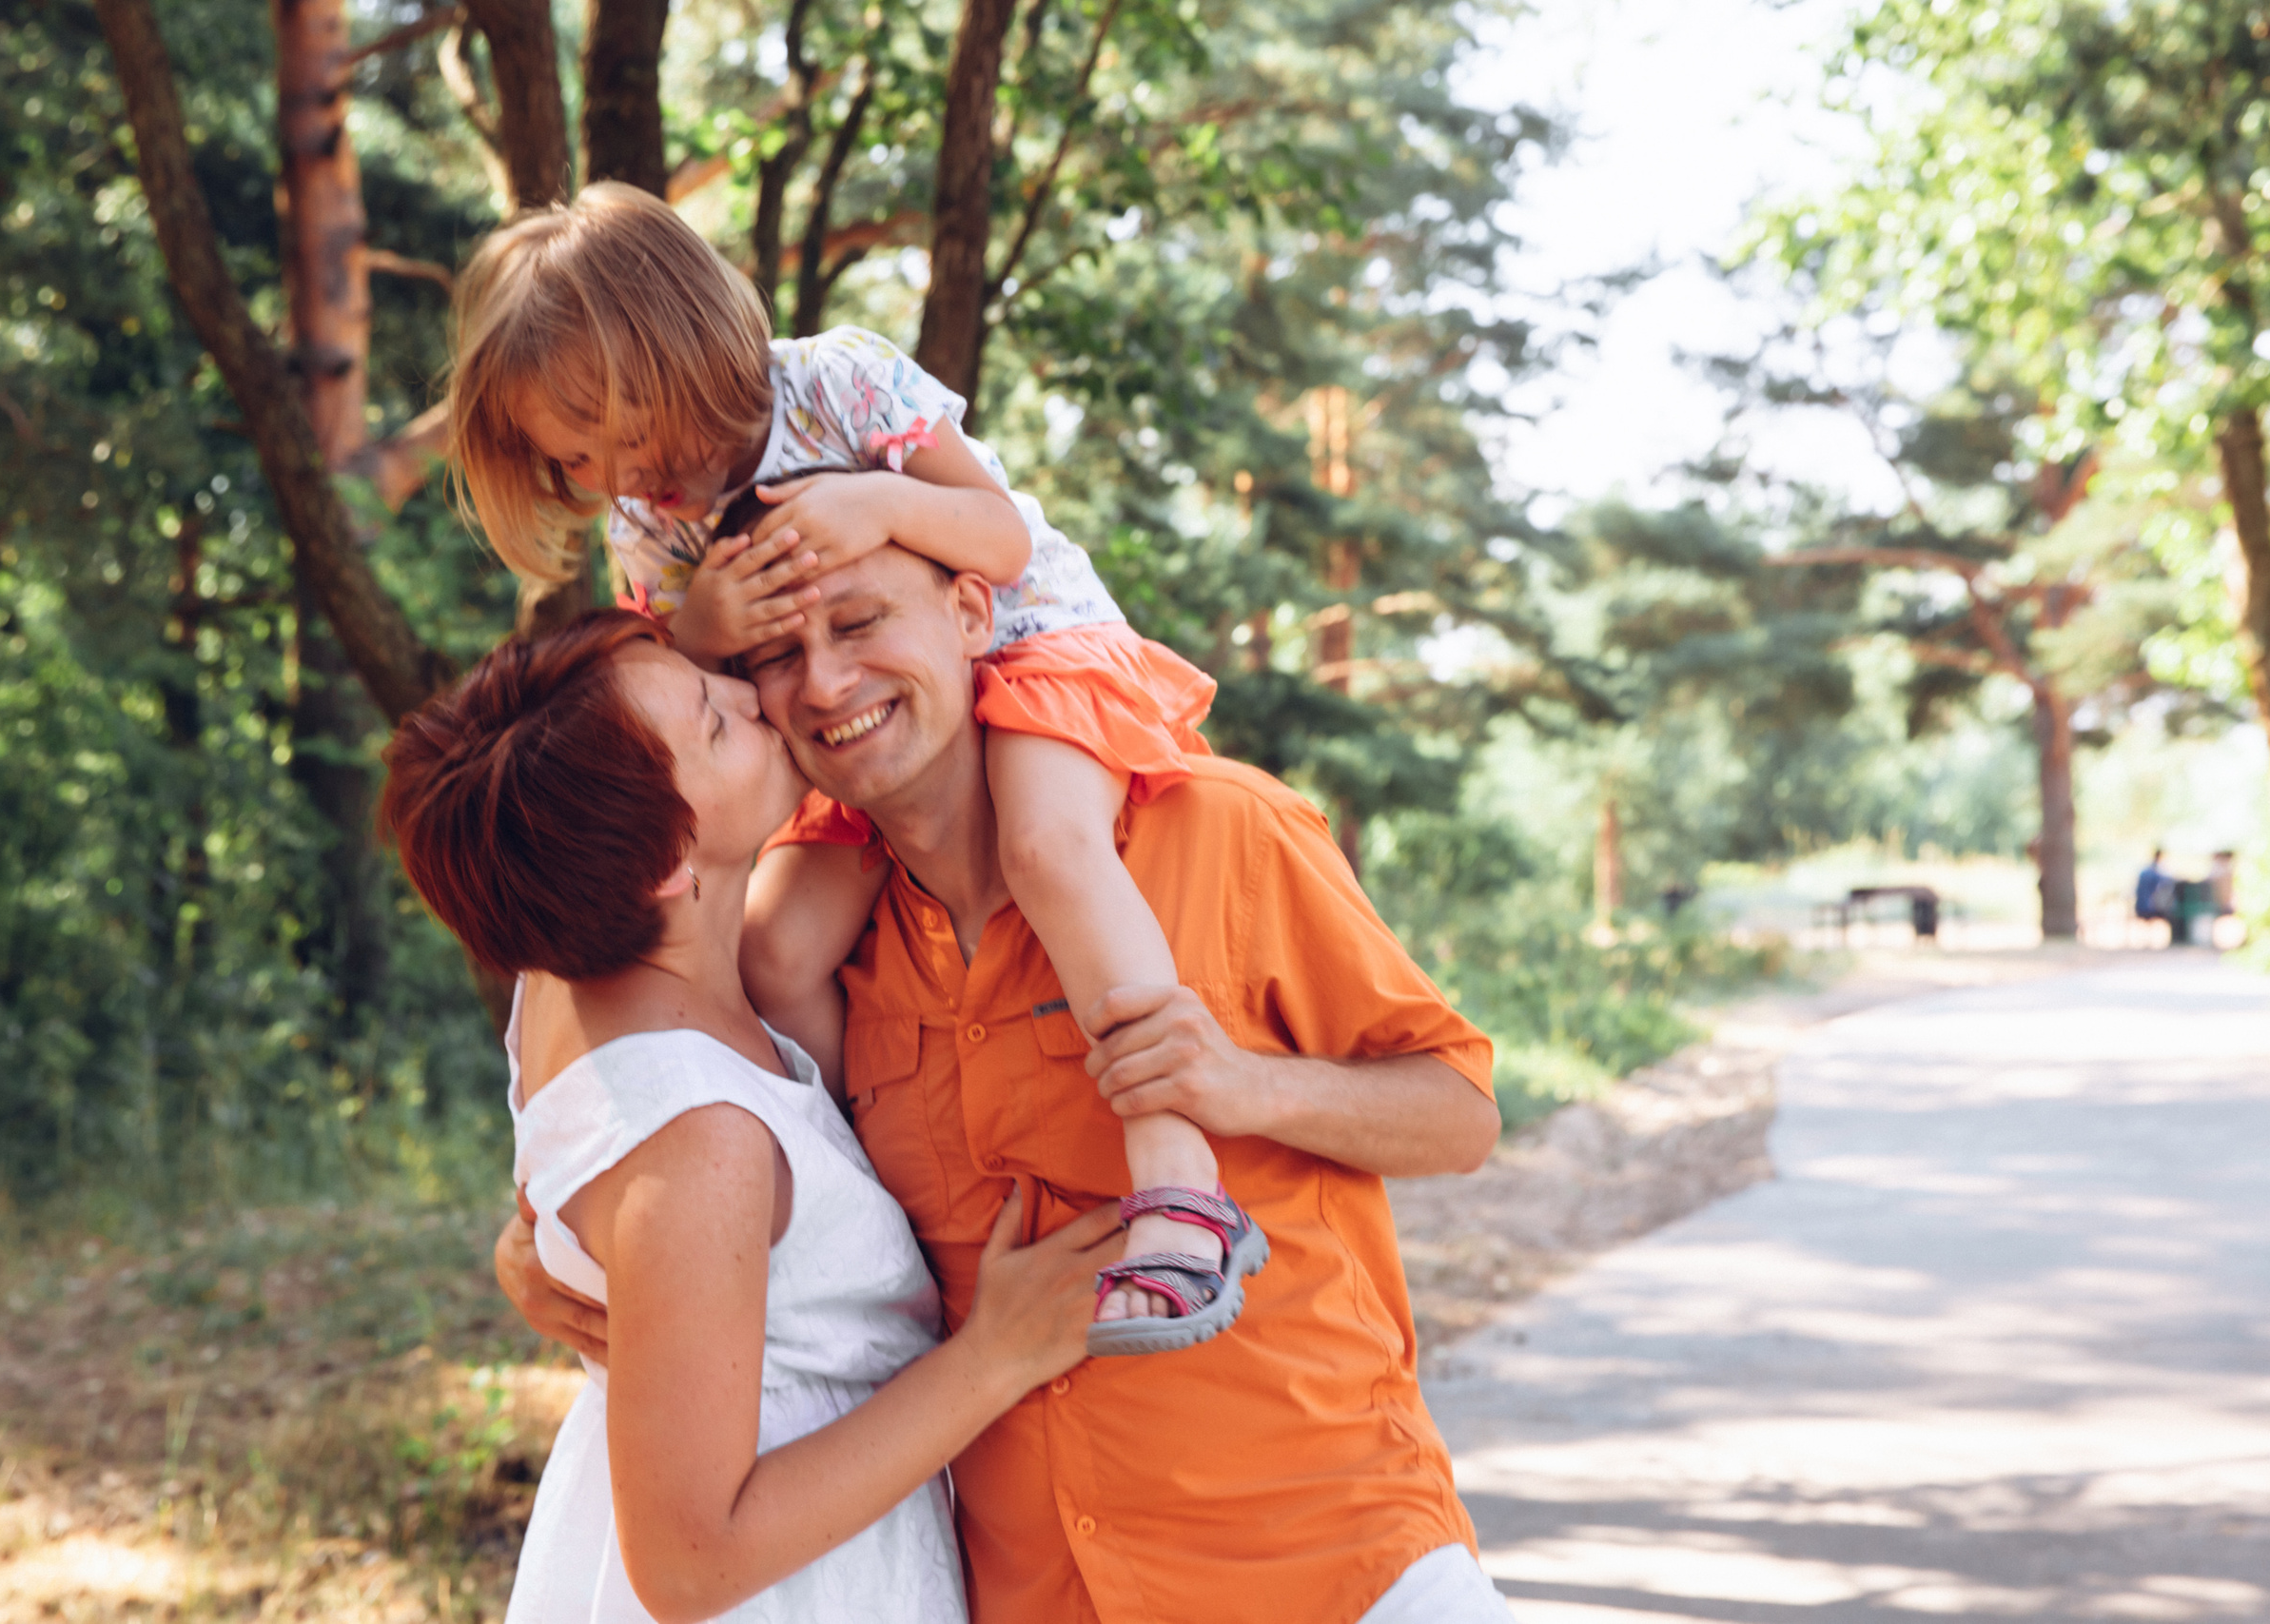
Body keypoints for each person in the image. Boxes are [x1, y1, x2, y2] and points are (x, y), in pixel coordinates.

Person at [499, 546, 1515, 1624]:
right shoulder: (802, 957)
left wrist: (1248, 1089)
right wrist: (545, 1242)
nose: (829, 682)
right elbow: (655, 1110)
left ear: (972, 612)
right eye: (780, 654)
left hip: (1334, 1565)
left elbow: (1458, 1113)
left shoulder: (1215, 827)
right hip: (1033, 1593)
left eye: (861, 622)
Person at [445, 183, 1234, 1342]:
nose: (617, 472)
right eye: (578, 458)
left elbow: (1003, 539)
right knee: (780, 945)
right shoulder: (650, 529)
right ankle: (866, 1206)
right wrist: (704, 622)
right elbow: (686, 704)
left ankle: (1178, 1184)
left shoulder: (839, 385)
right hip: (841, 730)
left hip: (1026, 650)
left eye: (623, 432)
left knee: (1049, 847)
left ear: (682, 349)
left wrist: (878, 505)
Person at [382, 612, 1123, 1623]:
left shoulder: (562, 978)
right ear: (662, 865)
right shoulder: (704, 1141)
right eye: (716, 723)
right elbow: (689, 1564)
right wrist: (997, 1354)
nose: (753, 698)